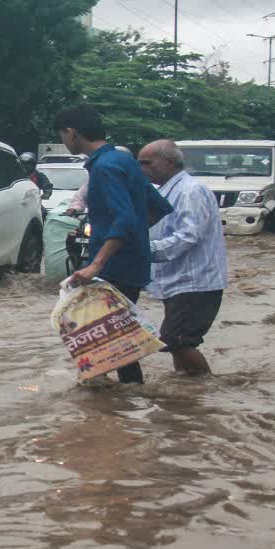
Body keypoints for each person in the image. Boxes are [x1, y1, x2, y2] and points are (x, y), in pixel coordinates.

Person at [53, 105, 172, 384]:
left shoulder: (105, 167)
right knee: (112, 342)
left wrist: (97, 263)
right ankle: (117, 407)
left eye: (62, 135)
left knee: (112, 345)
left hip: (115, 267)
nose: (64, 141)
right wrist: (134, 238)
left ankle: (122, 404)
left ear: (71, 133)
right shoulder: (123, 161)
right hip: (131, 262)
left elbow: (125, 217)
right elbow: (156, 207)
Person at [137, 139, 228, 376]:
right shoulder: (164, 191)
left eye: (146, 162)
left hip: (195, 281)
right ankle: (187, 389)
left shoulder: (190, 191)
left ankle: (206, 388)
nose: (142, 168)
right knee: (178, 342)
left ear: (169, 162)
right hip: (177, 282)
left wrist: (146, 250)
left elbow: (189, 235)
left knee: (177, 340)